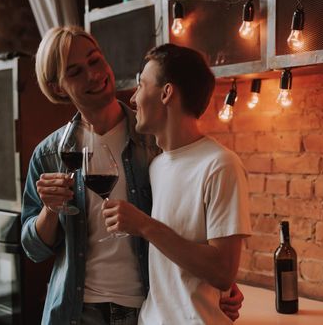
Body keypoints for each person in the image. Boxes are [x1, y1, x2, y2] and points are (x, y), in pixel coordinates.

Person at [20, 26, 243, 325]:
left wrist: (220, 286)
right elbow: (33, 249)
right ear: (59, 87)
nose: (93, 74)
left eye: (95, 60)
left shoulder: (156, 143)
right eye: (75, 72)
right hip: (77, 311)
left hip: (145, 309)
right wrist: (49, 209)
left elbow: (185, 224)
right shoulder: (50, 154)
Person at [102, 44, 252, 324]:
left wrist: (144, 225)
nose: (133, 99)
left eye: (141, 85)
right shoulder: (157, 166)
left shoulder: (220, 165)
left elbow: (222, 272)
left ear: (166, 93)